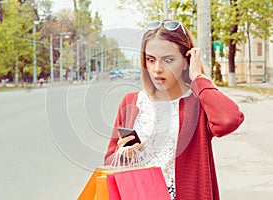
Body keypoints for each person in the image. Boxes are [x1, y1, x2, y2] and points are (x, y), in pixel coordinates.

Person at [104, 19, 244, 200]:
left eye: (168, 60)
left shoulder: (198, 103)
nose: (157, 69)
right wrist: (124, 155)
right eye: (150, 59)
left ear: (186, 61)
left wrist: (198, 78)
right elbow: (109, 160)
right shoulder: (132, 103)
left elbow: (229, 120)